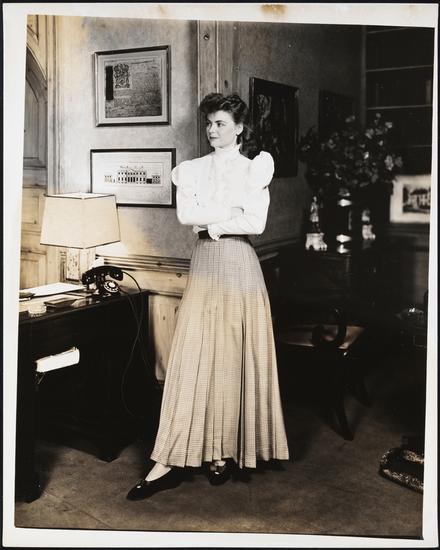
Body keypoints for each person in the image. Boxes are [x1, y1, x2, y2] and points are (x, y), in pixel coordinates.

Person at [126, 92, 289, 500]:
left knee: (232, 357)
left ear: (239, 128)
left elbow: (256, 223)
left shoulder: (255, 168)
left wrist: (213, 222)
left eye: (220, 123)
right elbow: (187, 216)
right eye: (209, 123)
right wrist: (229, 213)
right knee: (193, 354)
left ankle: (222, 452)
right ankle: (168, 459)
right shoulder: (192, 170)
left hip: (240, 266)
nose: (212, 130)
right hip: (204, 265)